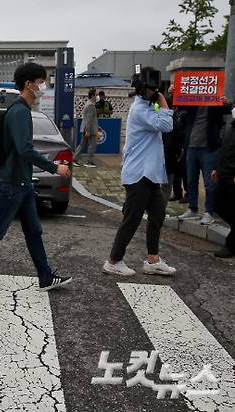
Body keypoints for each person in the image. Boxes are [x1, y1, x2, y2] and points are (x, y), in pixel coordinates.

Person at [0, 62, 73, 293]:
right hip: (13, 183)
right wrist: (54, 167)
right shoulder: (20, 112)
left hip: (22, 183)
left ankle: (45, 276)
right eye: (42, 82)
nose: (44, 86)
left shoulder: (22, 110)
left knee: (33, 231)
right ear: (29, 84)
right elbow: (24, 150)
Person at [102, 67, 176, 277]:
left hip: (149, 174)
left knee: (157, 215)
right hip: (139, 175)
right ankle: (113, 261)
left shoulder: (146, 106)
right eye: (154, 89)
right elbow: (166, 124)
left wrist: (156, 98)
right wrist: (161, 98)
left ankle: (153, 260)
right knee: (132, 219)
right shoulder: (141, 110)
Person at [177, 99, 232, 225]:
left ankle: (210, 212)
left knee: (209, 182)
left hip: (209, 148)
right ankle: (192, 208)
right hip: (191, 146)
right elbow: (180, 106)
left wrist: (225, 102)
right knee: (191, 180)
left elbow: (228, 109)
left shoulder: (215, 99)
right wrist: (174, 92)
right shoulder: (193, 98)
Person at [211, 110, 235, 258]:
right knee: (219, 205)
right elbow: (222, 149)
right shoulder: (229, 127)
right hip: (223, 174)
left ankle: (231, 246)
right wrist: (216, 168)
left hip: (232, 176)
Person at [74, 88, 98, 168]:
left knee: (82, 145)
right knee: (92, 145)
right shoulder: (91, 105)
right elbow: (89, 119)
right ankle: (89, 162)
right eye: (96, 95)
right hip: (89, 130)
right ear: (92, 96)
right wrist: (87, 131)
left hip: (85, 129)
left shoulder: (88, 104)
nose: (97, 97)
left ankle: (74, 159)